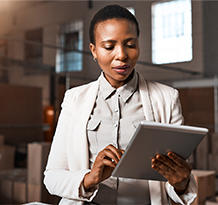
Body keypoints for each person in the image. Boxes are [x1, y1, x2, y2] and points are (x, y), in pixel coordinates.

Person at [44, 4, 197, 205]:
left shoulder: (167, 98)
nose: (122, 55)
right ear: (94, 50)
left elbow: (174, 178)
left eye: (130, 44)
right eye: (109, 47)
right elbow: (52, 177)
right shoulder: (74, 99)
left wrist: (182, 183)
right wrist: (91, 177)